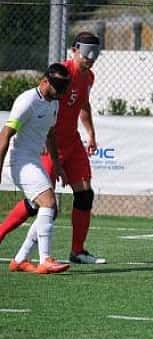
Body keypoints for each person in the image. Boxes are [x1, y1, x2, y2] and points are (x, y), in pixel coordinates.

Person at [0, 32, 106, 264]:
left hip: (73, 141)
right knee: (42, 203)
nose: (91, 58)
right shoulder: (62, 73)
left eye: (96, 53)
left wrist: (91, 134)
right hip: (51, 144)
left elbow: (84, 105)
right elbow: (42, 98)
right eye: (87, 52)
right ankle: (6, 239)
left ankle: (77, 251)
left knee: (85, 194)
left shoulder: (89, 78)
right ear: (75, 50)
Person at [0, 63, 71, 274]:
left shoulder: (54, 103)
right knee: (48, 202)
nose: (60, 93)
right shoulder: (27, 101)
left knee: (50, 210)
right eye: (57, 87)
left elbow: (50, 135)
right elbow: (5, 136)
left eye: (63, 89)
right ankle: (45, 259)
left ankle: (20, 259)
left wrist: (57, 165)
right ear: (44, 81)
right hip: (18, 160)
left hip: (33, 160)